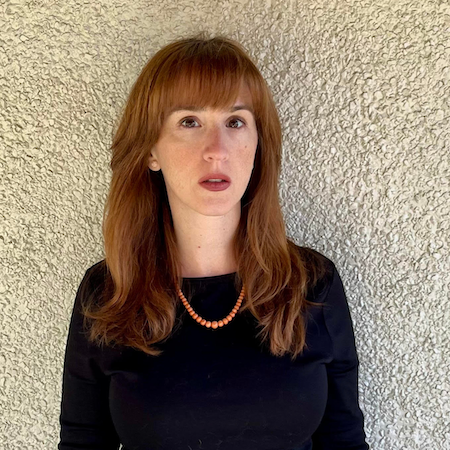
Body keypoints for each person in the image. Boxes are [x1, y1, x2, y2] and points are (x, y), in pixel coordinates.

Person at [58, 32, 369, 450]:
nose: (216, 149)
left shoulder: (311, 284)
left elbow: (344, 440)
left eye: (235, 122)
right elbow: (82, 442)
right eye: (189, 121)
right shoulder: (110, 294)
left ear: (258, 145)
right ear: (150, 150)